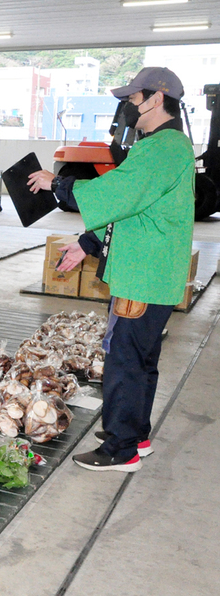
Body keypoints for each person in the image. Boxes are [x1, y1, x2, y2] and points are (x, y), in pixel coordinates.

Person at [28, 66, 194, 473]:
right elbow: (132, 208)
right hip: (149, 271)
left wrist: (60, 184)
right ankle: (135, 434)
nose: (128, 108)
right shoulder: (163, 147)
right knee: (141, 358)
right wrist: (86, 243)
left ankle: (121, 451)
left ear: (156, 99)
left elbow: (118, 194)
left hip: (142, 273)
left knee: (123, 358)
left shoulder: (164, 148)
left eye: (133, 99)